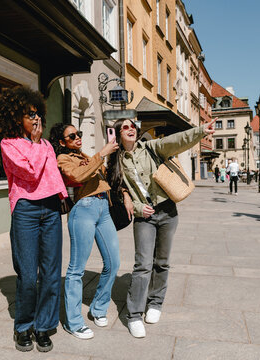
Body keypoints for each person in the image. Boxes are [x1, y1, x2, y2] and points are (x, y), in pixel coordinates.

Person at [107, 118, 216, 338]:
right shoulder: (116, 161)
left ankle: (155, 303)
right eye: (124, 127)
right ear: (118, 133)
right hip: (144, 217)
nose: (130, 129)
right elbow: (117, 190)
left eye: (132, 126)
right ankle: (135, 315)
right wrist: (137, 207)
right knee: (143, 265)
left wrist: (201, 131)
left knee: (162, 262)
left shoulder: (150, 148)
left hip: (167, 211)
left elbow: (176, 141)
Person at [0, 86, 67, 353]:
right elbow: (31, 172)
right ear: (15, 118)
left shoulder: (46, 144)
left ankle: (44, 326)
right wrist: (35, 144)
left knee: (50, 272)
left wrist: (63, 196)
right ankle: (23, 326)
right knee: (26, 273)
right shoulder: (8, 145)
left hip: (50, 210)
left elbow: (52, 176)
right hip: (26, 211)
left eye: (37, 113)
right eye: (28, 114)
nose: (35, 119)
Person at [49, 123, 132, 340]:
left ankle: (98, 308)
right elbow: (77, 177)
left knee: (113, 263)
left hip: (104, 209)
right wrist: (101, 154)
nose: (78, 137)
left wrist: (124, 192)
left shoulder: (85, 154)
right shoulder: (63, 159)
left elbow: (108, 178)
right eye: (72, 136)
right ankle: (74, 322)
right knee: (76, 269)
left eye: (79, 134)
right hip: (83, 210)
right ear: (61, 142)